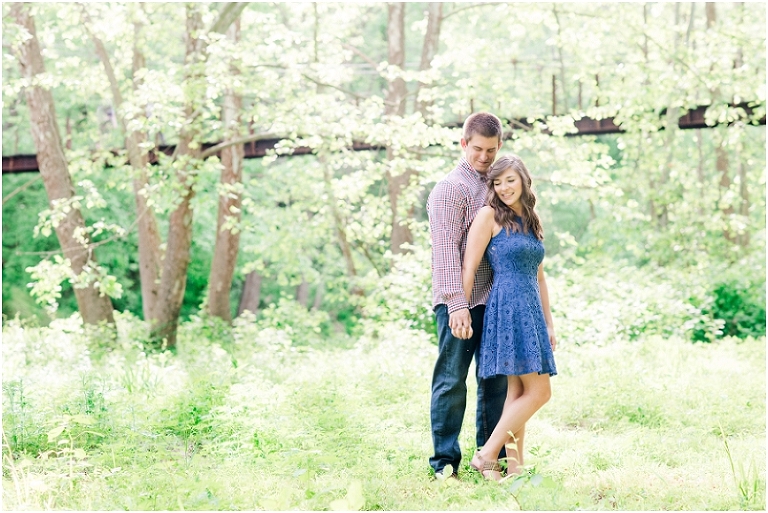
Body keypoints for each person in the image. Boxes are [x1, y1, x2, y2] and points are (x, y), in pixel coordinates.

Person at [460, 154, 557, 481]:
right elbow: (470, 266)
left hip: (531, 309)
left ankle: (515, 469)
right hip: (507, 306)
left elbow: (540, 276)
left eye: (510, 180)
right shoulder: (489, 215)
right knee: (540, 392)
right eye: (497, 183)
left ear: (524, 181)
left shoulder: (531, 219)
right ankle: (487, 454)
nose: (504, 188)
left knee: (517, 394)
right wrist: (460, 308)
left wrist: (549, 323)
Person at [427, 112, 508, 479]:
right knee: (451, 380)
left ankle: (491, 459)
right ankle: (444, 464)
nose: (484, 157)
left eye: (491, 150)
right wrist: (456, 304)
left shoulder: (498, 185)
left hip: (494, 300)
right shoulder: (450, 189)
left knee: (495, 382)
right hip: (459, 302)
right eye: (477, 149)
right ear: (463, 144)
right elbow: (445, 252)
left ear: (499, 146)